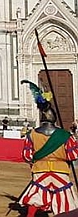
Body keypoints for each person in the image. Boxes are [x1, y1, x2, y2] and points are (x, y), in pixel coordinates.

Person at [18, 80, 78, 216]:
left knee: (37, 195)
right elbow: (73, 155)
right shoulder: (65, 135)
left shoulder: (32, 134)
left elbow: (27, 155)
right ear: (54, 118)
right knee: (63, 199)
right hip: (60, 171)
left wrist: (36, 162)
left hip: (40, 169)